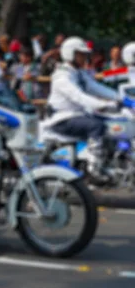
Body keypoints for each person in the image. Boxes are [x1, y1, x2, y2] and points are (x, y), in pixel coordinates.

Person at [45, 36, 120, 182]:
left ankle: (110, 162)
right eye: (80, 54)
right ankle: (93, 171)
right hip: (62, 118)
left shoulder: (78, 72)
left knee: (114, 123)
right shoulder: (62, 76)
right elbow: (78, 96)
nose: (84, 57)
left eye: (85, 54)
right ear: (70, 54)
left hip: (77, 115)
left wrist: (120, 98)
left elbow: (94, 87)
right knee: (96, 126)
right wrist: (103, 105)